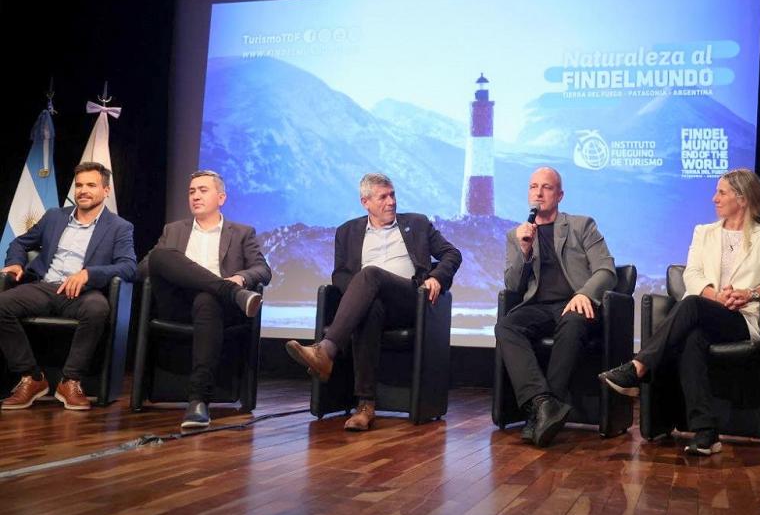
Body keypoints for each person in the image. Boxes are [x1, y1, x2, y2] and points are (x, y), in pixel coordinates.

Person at [599, 168, 760, 455]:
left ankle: (638, 368)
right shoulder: (704, 232)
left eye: (721, 192)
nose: (714, 198)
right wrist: (715, 295)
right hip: (708, 310)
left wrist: (748, 293)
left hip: (741, 317)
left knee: (689, 304)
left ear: (742, 198)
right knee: (692, 337)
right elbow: (693, 276)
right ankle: (706, 433)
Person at [286, 173, 462, 432]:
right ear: (365, 202)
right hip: (376, 303)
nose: (391, 202)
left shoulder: (418, 223)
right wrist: (361, 297)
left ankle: (326, 351)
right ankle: (365, 406)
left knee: (370, 273)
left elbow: (452, 254)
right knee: (370, 310)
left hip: (411, 300)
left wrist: (436, 277)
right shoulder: (347, 232)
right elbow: (341, 276)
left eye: (392, 195)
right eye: (383, 197)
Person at [138, 170, 271, 428]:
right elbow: (143, 268)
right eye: (191, 191)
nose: (195, 196)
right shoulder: (173, 230)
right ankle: (228, 291)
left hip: (215, 309)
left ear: (221, 198)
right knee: (161, 256)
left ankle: (198, 400)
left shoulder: (242, 233)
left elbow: (263, 270)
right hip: (176, 304)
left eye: (202, 190)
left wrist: (241, 279)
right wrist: (227, 286)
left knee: (206, 299)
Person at [495, 166, 616, 447]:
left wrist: (585, 293)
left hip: (575, 303)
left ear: (559, 195)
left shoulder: (581, 225)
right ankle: (542, 404)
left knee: (572, 321)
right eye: (533, 187)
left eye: (546, 187)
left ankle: (539, 417)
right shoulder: (517, 235)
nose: (538, 193)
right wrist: (524, 251)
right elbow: (513, 286)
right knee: (506, 326)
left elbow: (606, 270)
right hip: (539, 306)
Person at [0, 162, 136, 410]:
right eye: (80, 185)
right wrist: (15, 263)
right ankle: (31, 378)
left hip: (84, 293)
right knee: (1, 305)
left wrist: (89, 274)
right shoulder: (55, 216)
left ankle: (70, 380)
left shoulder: (119, 227)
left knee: (97, 309)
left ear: (106, 190)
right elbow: (19, 243)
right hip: (45, 286)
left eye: (91, 185)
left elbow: (128, 267)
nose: (83, 190)